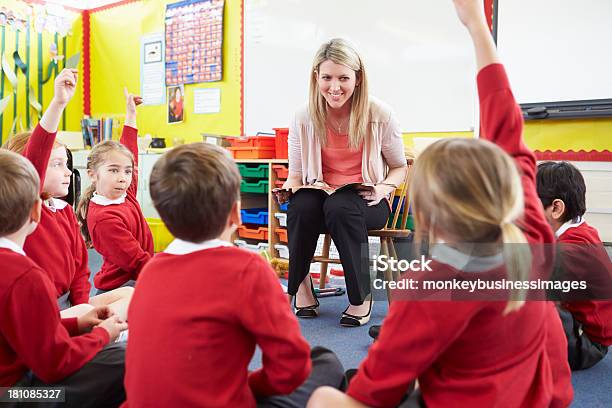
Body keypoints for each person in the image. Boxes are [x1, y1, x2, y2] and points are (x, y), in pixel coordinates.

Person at [307, 0, 573, 406]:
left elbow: (371, 395)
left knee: (324, 388)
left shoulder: (428, 288)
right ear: (504, 190)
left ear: (428, 214)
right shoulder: (532, 239)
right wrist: (478, 28)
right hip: (528, 395)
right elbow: (506, 123)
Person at [123, 142, 344, 407]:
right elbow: (291, 369)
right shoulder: (248, 269)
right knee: (324, 361)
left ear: (163, 214)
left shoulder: (150, 271)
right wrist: (249, 384)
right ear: (236, 213)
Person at [279, 38, 407, 326]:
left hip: (367, 200)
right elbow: (297, 174)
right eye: (326, 77)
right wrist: (290, 188)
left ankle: (360, 297)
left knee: (341, 206)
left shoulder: (380, 114)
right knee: (300, 205)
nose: (334, 87)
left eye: (343, 78)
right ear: (316, 78)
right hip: (322, 195)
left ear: (358, 79)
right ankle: (302, 286)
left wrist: (383, 188)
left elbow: (399, 168)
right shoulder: (303, 116)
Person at [0, 149, 127, 408]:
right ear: (36, 211)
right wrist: (102, 334)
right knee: (126, 360)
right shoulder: (25, 276)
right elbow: (54, 363)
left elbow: (22, 332)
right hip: (15, 395)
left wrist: (77, 324)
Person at [2, 69, 133, 320]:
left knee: (130, 294)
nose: (68, 172)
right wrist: (58, 103)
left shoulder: (63, 211)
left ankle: (95, 331)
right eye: (57, 165)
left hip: (69, 305)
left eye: (67, 164)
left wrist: (85, 312)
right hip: (41, 312)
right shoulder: (26, 209)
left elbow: (80, 270)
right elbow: (36, 155)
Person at [537, 161, 612, 370]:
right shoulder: (580, 230)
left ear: (556, 208)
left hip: (586, 344)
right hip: (580, 326)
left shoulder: (572, 251)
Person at [77, 89, 153, 293]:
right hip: (121, 285)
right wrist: (167, 272)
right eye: (113, 170)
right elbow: (135, 260)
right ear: (92, 174)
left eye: (127, 171)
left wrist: (131, 115)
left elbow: (130, 151)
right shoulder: (104, 218)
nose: (123, 177)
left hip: (137, 274)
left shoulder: (123, 193)